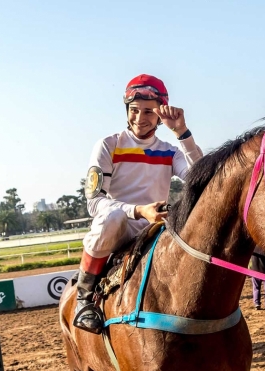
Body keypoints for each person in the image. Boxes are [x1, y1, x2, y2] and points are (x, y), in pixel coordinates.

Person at [75, 74, 203, 333]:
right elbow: (95, 202)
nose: (139, 118)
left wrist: (182, 132)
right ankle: (83, 298)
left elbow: (201, 179)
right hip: (120, 227)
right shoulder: (108, 145)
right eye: (134, 110)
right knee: (113, 217)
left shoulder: (170, 150)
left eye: (148, 112)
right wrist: (137, 210)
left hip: (157, 229)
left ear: (159, 116)